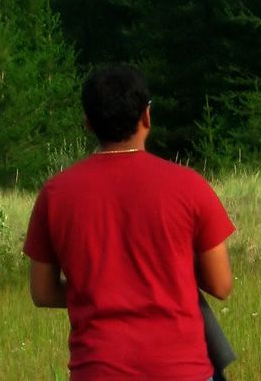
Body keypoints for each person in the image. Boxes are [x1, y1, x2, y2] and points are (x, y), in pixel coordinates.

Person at [23, 64, 235, 381]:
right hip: (181, 369)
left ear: (88, 124)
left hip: (97, 369)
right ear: (146, 117)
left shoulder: (56, 194)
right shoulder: (189, 186)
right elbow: (221, 285)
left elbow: (42, 292)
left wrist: (101, 292)